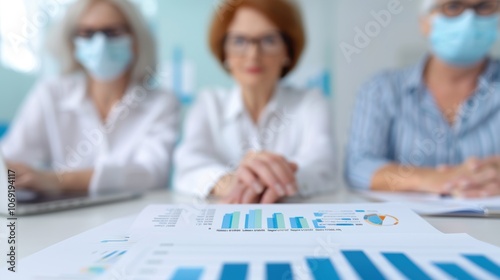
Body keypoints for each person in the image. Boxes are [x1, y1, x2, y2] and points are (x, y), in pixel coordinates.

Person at [1, 0, 179, 195]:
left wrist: (58, 180)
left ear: (136, 40)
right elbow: (9, 160)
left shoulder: (162, 103)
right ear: (73, 43)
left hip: (135, 217)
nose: (99, 43)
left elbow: (152, 173)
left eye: (113, 32)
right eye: (87, 33)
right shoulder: (50, 94)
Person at [173, 0, 336, 203]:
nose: (253, 54)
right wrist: (231, 182)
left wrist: (274, 181)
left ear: (287, 50)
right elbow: (188, 165)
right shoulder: (208, 103)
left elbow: (322, 167)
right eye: (239, 41)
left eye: (268, 40)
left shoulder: (311, 102)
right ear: (225, 52)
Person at [346, 0, 500, 198]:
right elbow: (358, 167)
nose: (469, 19)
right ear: (424, 22)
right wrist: (433, 179)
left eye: (484, 6)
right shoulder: (380, 89)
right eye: (452, 7)